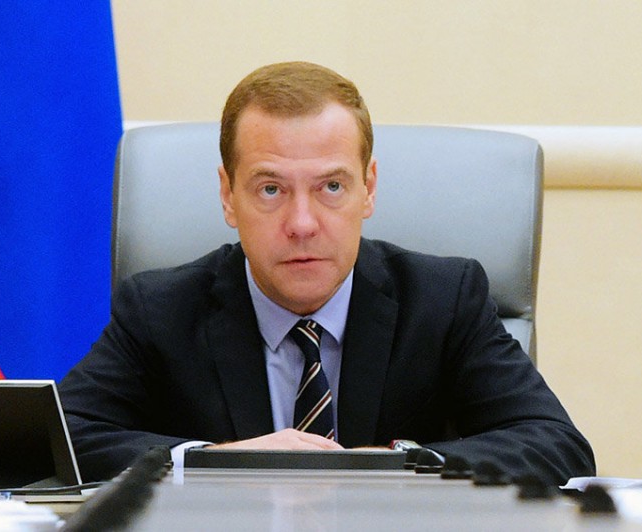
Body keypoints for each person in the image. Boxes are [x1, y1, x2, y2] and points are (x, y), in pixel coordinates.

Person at [58, 61, 595, 485]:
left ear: (369, 188)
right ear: (227, 195)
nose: (302, 223)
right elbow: (59, 439)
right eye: (271, 189)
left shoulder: (443, 299)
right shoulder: (161, 309)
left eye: (331, 187)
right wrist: (215, 460)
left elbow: (555, 444)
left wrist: (395, 466)